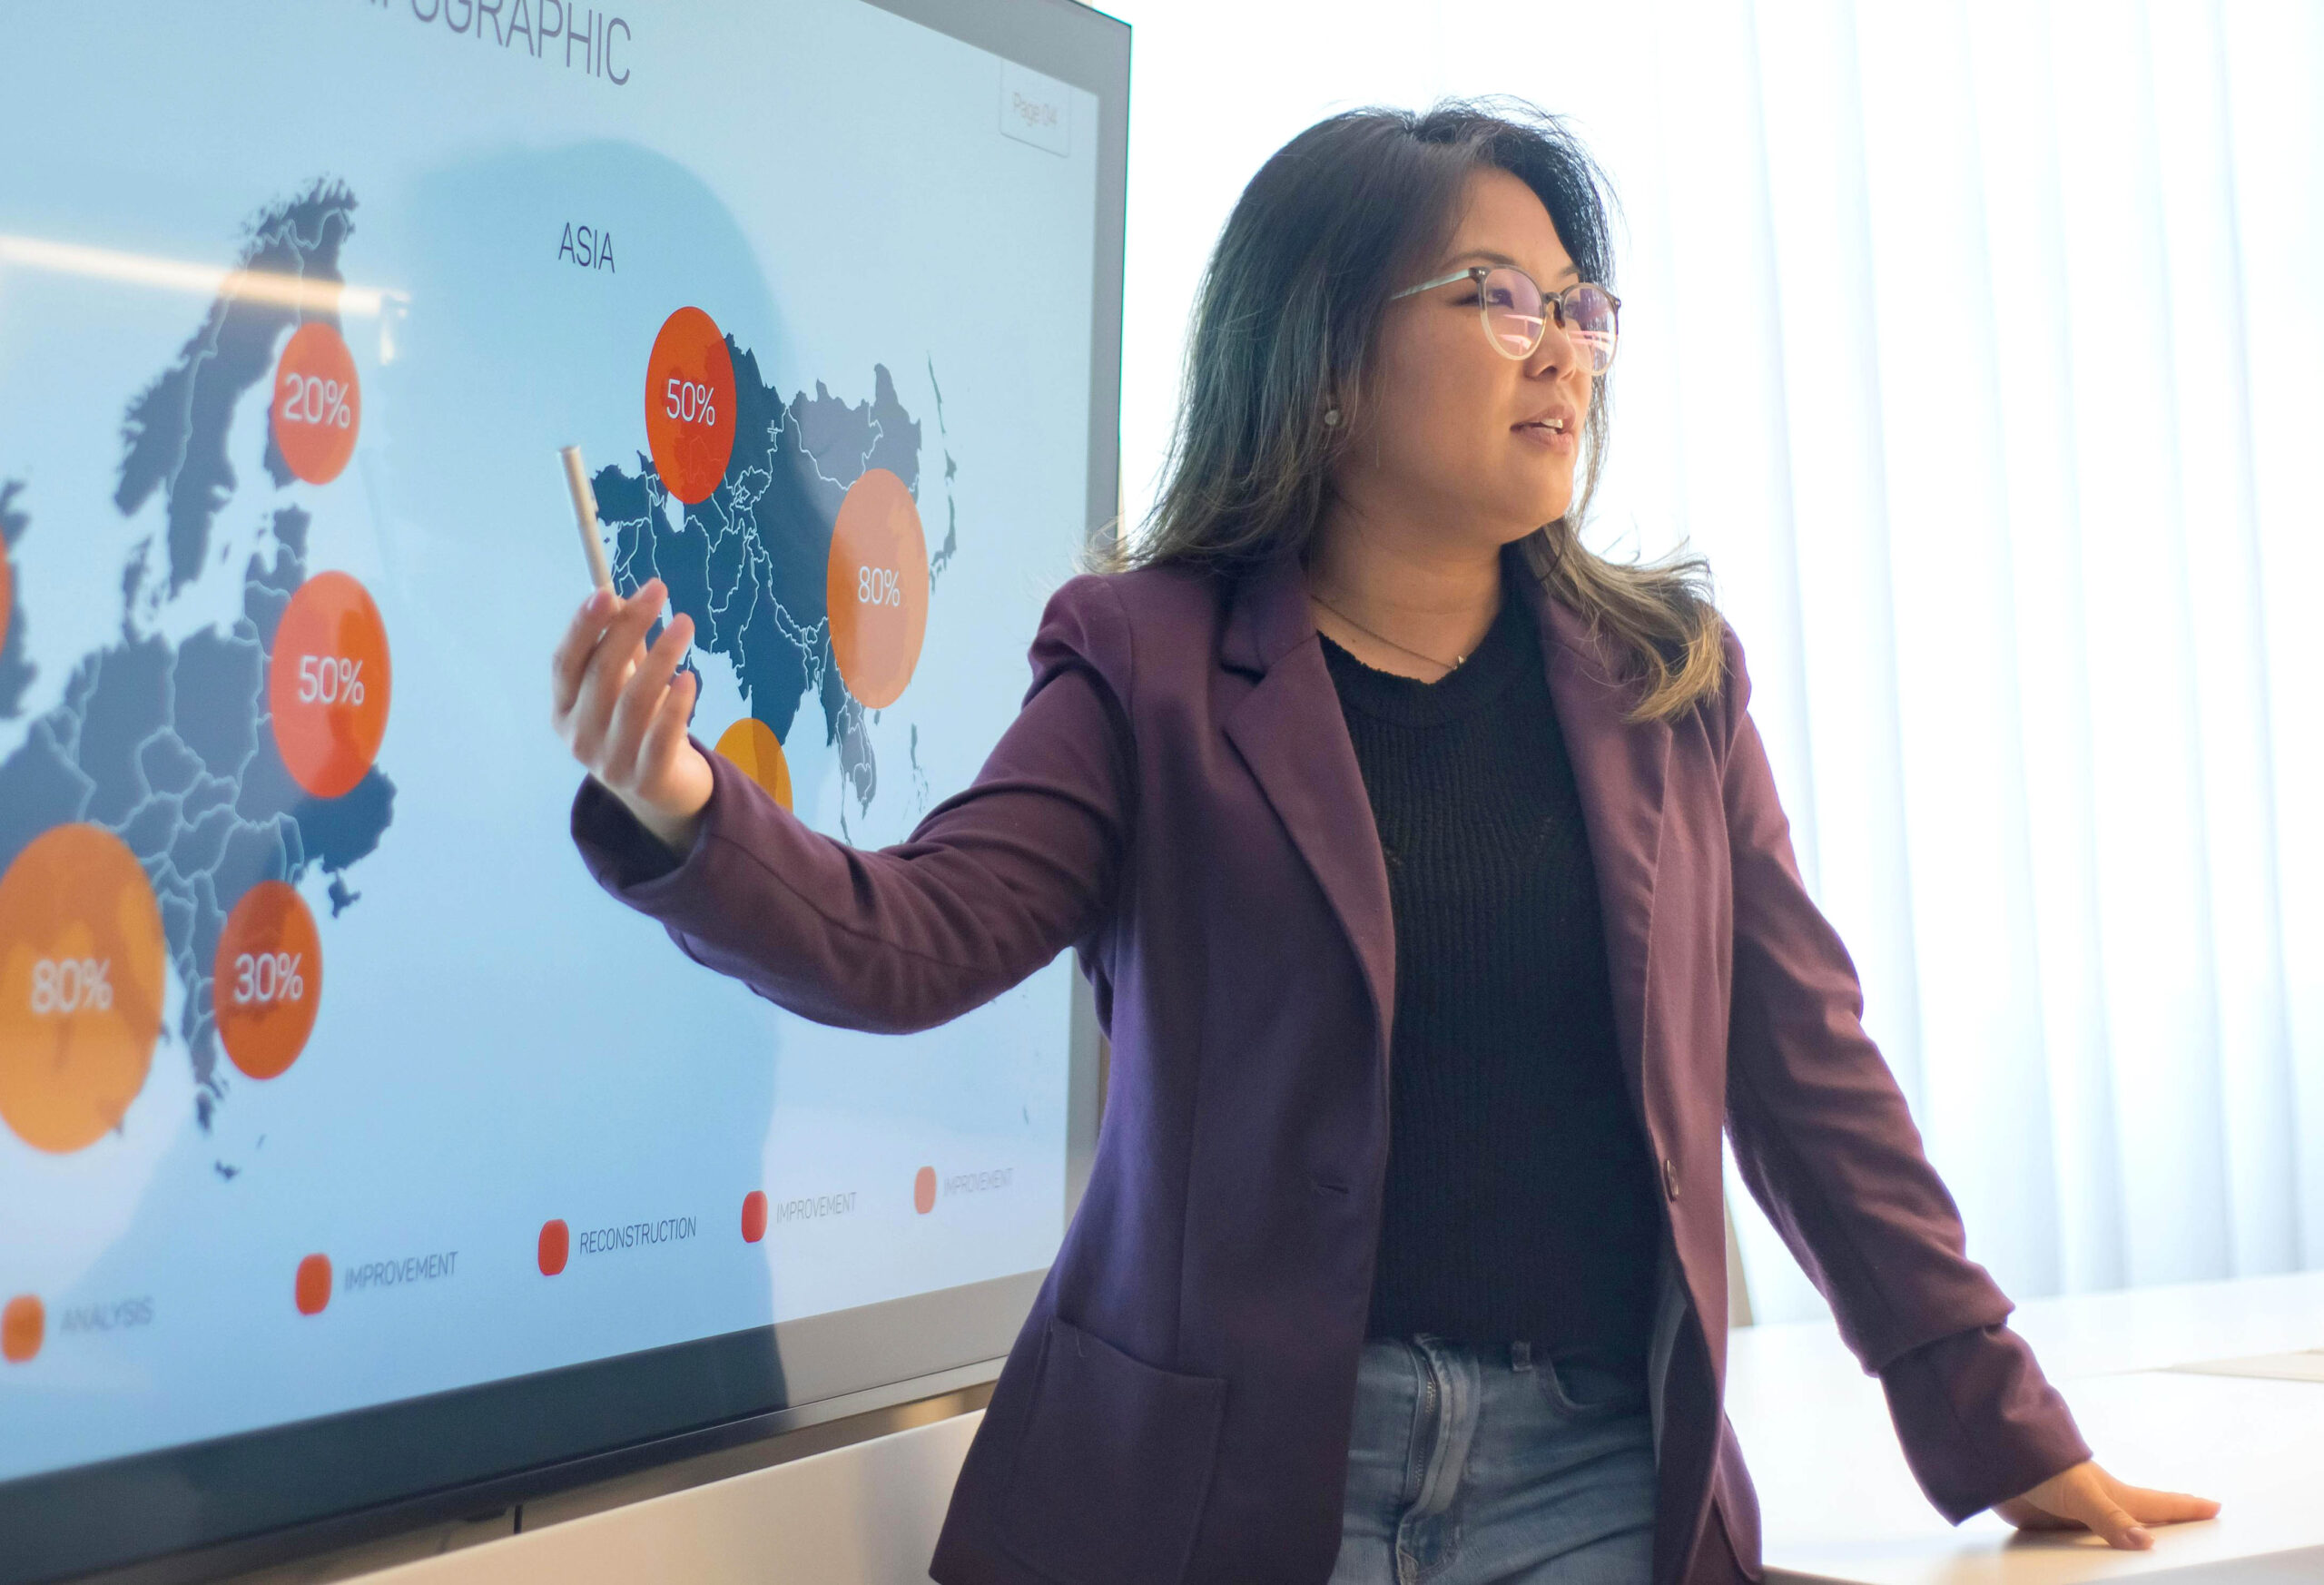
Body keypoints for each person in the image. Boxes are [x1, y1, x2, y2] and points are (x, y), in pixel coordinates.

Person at [552, 101, 2219, 1585]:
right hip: (1225, 1488)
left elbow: (1808, 1077)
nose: (1565, 347)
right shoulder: (1149, 662)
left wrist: (1999, 1422)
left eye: (1584, 306)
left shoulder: (1668, 690)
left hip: (1590, 1481)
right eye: (1503, 298)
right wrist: (687, 805)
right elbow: (916, 936)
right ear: (1331, 352)